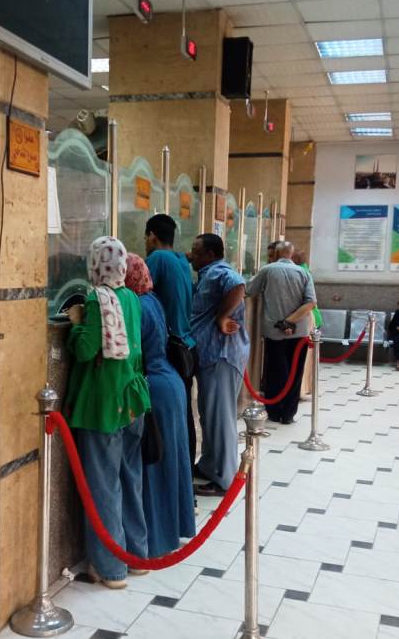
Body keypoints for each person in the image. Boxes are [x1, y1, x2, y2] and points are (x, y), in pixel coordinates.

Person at [65, 237, 151, 588]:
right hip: (132, 398)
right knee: (130, 479)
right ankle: (137, 556)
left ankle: (110, 568)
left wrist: (76, 324)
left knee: (103, 486)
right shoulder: (131, 297)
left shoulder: (95, 298)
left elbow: (85, 350)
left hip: (102, 404)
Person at [124, 254, 196, 557]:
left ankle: (155, 540)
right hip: (171, 383)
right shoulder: (152, 299)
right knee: (172, 460)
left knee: (152, 463)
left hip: (154, 387)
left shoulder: (134, 304)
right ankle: (175, 528)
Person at [189, 234, 250, 496]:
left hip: (221, 356)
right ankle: (210, 466)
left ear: (211, 255)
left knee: (221, 417)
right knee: (210, 414)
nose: (191, 255)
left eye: (196, 251)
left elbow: (238, 285)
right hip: (212, 356)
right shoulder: (207, 273)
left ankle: (224, 479)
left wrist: (222, 317)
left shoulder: (219, 271)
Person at [144, 214, 198, 467]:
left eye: (146, 237)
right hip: (186, 345)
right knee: (184, 413)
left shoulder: (157, 258)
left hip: (170, 348)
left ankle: (170, 470)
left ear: (152, 236)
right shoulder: (180, 261)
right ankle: (186, 467)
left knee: (169, 418)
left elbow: (139, 290)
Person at [245, 241, 317, 424]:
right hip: (299, 332)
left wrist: (282, 322)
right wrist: (290, 321)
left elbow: (248, 290)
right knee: (295, 373)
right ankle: (288, 414)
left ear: (276, 254)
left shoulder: (267, 270)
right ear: (291, 255)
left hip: (274, 332)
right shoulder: (304, 273)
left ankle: (274, 412)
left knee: (275, 372)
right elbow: (311, 302)